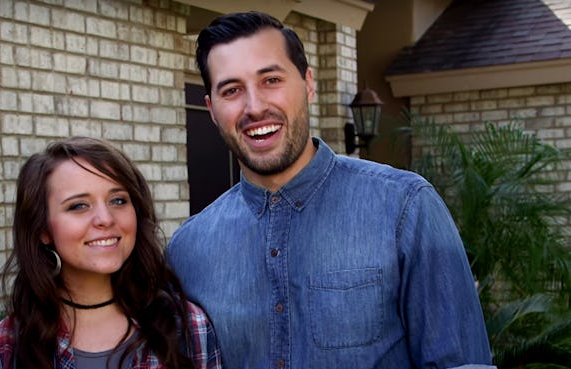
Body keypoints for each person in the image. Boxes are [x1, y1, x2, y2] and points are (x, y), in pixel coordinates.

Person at [165, 11, 494, 369]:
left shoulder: (405, 208)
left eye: (271, 79)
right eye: (231, 90)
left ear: (308, 84)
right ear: (212, 109)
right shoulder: (187, 252)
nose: (255, 107)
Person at [0, 137, 222, 369]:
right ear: (42, 229)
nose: (105, 218)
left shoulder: (188, 329)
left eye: (118, 200)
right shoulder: (1, 350)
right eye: (79, 206)